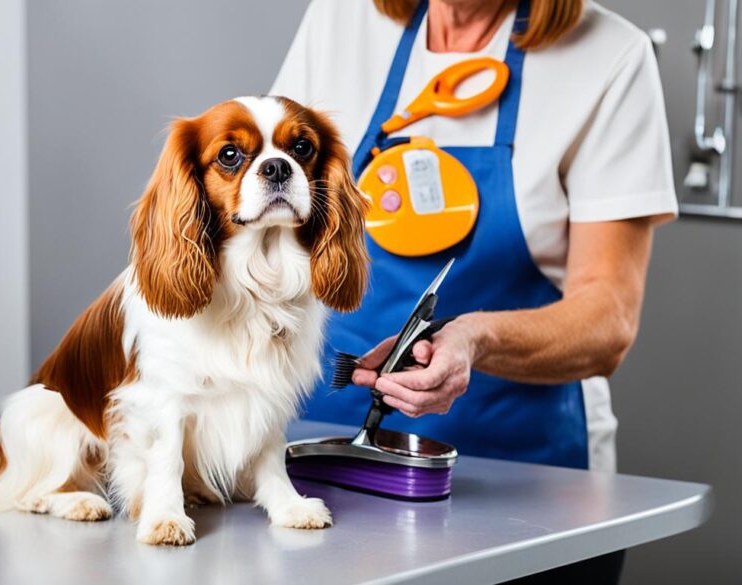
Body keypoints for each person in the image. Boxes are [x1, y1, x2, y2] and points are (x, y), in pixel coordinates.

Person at [272, 0, 677, 582]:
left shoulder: (610, 59)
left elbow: (607, 318)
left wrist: (473, 339)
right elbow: (270, 222)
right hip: (319, 469)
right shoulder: (340, 20)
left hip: (528, 495)